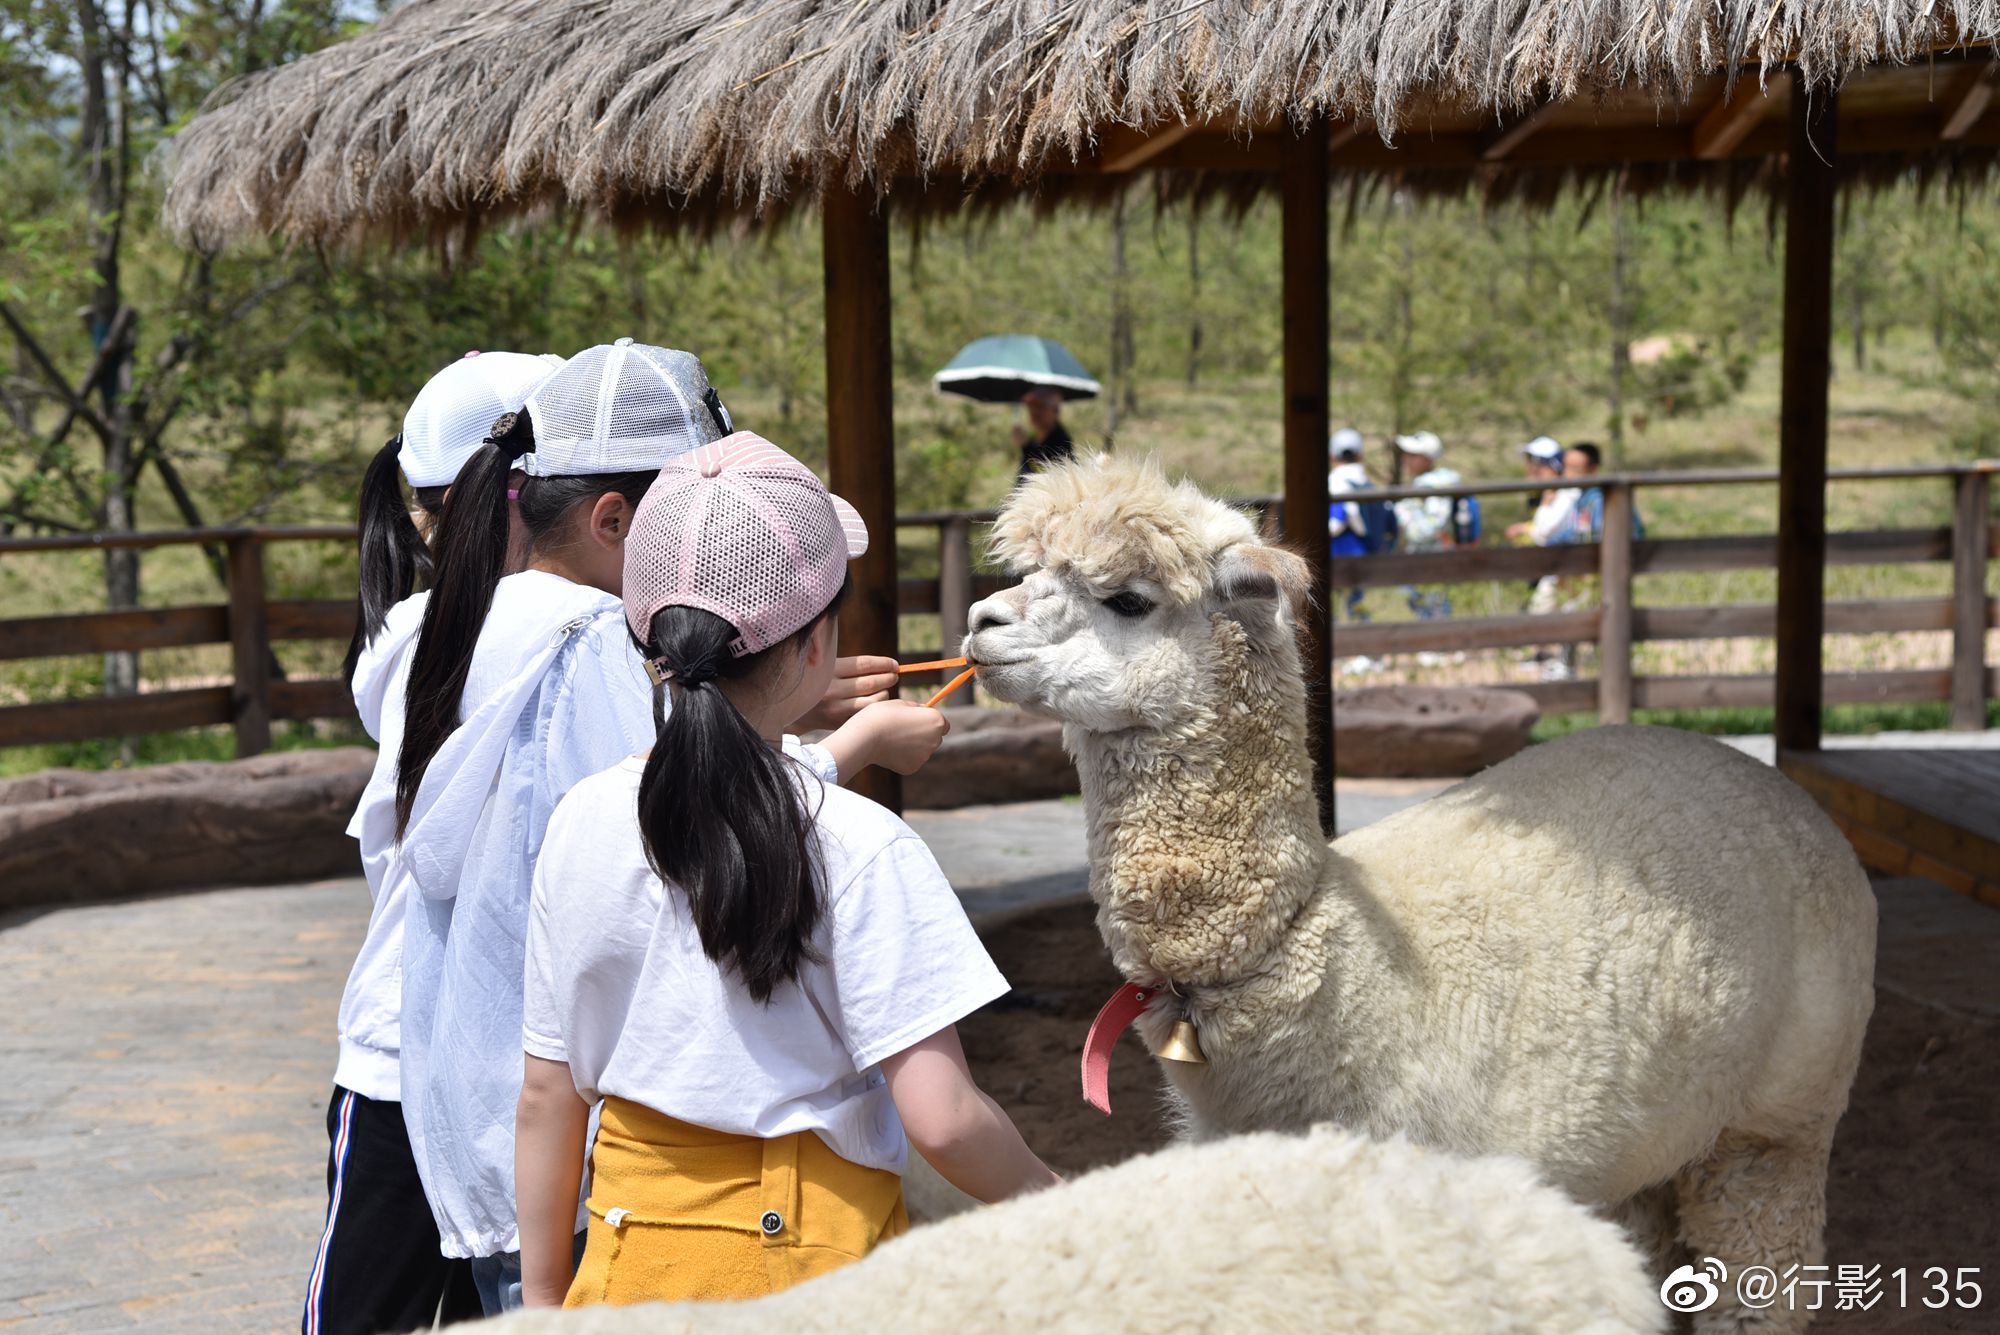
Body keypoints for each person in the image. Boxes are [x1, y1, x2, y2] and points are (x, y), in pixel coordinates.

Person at [388, 340, 942, 1316]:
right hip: (619, 1184)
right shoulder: (589, 648)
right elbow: (682, 824)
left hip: (526, 1162)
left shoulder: (491, 617)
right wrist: (848, 748)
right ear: (615, 522)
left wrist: (780, 710)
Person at [515, 432, 1059, 1309]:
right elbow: (946, 1120)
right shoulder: (859, 844)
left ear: (642, 627)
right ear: (816, 645)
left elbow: (547, 1094)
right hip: (811, 1270)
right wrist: (1060, 1204)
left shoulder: (579, 821)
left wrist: (543, 1304)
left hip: (622, 1264)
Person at [306, 349, 562, 1335]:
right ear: (513, 491)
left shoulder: (432, 628)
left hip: (479, 1057)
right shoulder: (477, 633)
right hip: (415, 1054)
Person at [1506, 437, 1583, 681]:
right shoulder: (1546, 493)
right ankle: (1559, 661)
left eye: (1536, 464)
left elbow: (1543, 529)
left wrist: (1544, 506)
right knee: (1550, 609)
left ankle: (1566, 664)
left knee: (1563, 611)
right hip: (1555, 561)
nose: (1531, 469)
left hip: (1569, 560)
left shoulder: (1565, 492)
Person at [1391, 431, 1460, 623]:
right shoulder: (1426, 484)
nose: (1407, 460)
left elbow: (1435, 525)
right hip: (1424, 552)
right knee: (1419, 597)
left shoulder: (1435, 486)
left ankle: (1436, 643)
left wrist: (1407, 523)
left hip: (1433, 552)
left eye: (1413, 455)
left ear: (1427, 459)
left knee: (1433, 600)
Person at [1011, 386, 1073, 479]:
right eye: (1031, 406)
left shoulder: (1060, 442)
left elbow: (1042, 472)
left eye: (1040, 407)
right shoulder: (1036, 438)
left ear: (1055, 410)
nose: (1034, 411)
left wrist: (1026, 446)